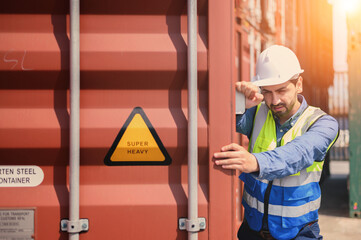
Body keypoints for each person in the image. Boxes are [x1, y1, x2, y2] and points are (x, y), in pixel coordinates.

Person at [213, 45, 339, 240]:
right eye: (268, 92)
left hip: (298, 233)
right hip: (251, 231)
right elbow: (218, 124)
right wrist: (239, 101)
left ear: (299, 84)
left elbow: (298, 154)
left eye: (281, 90)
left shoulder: (323, 124)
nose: (274, 101)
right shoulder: (257, 112)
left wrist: (255, 162)